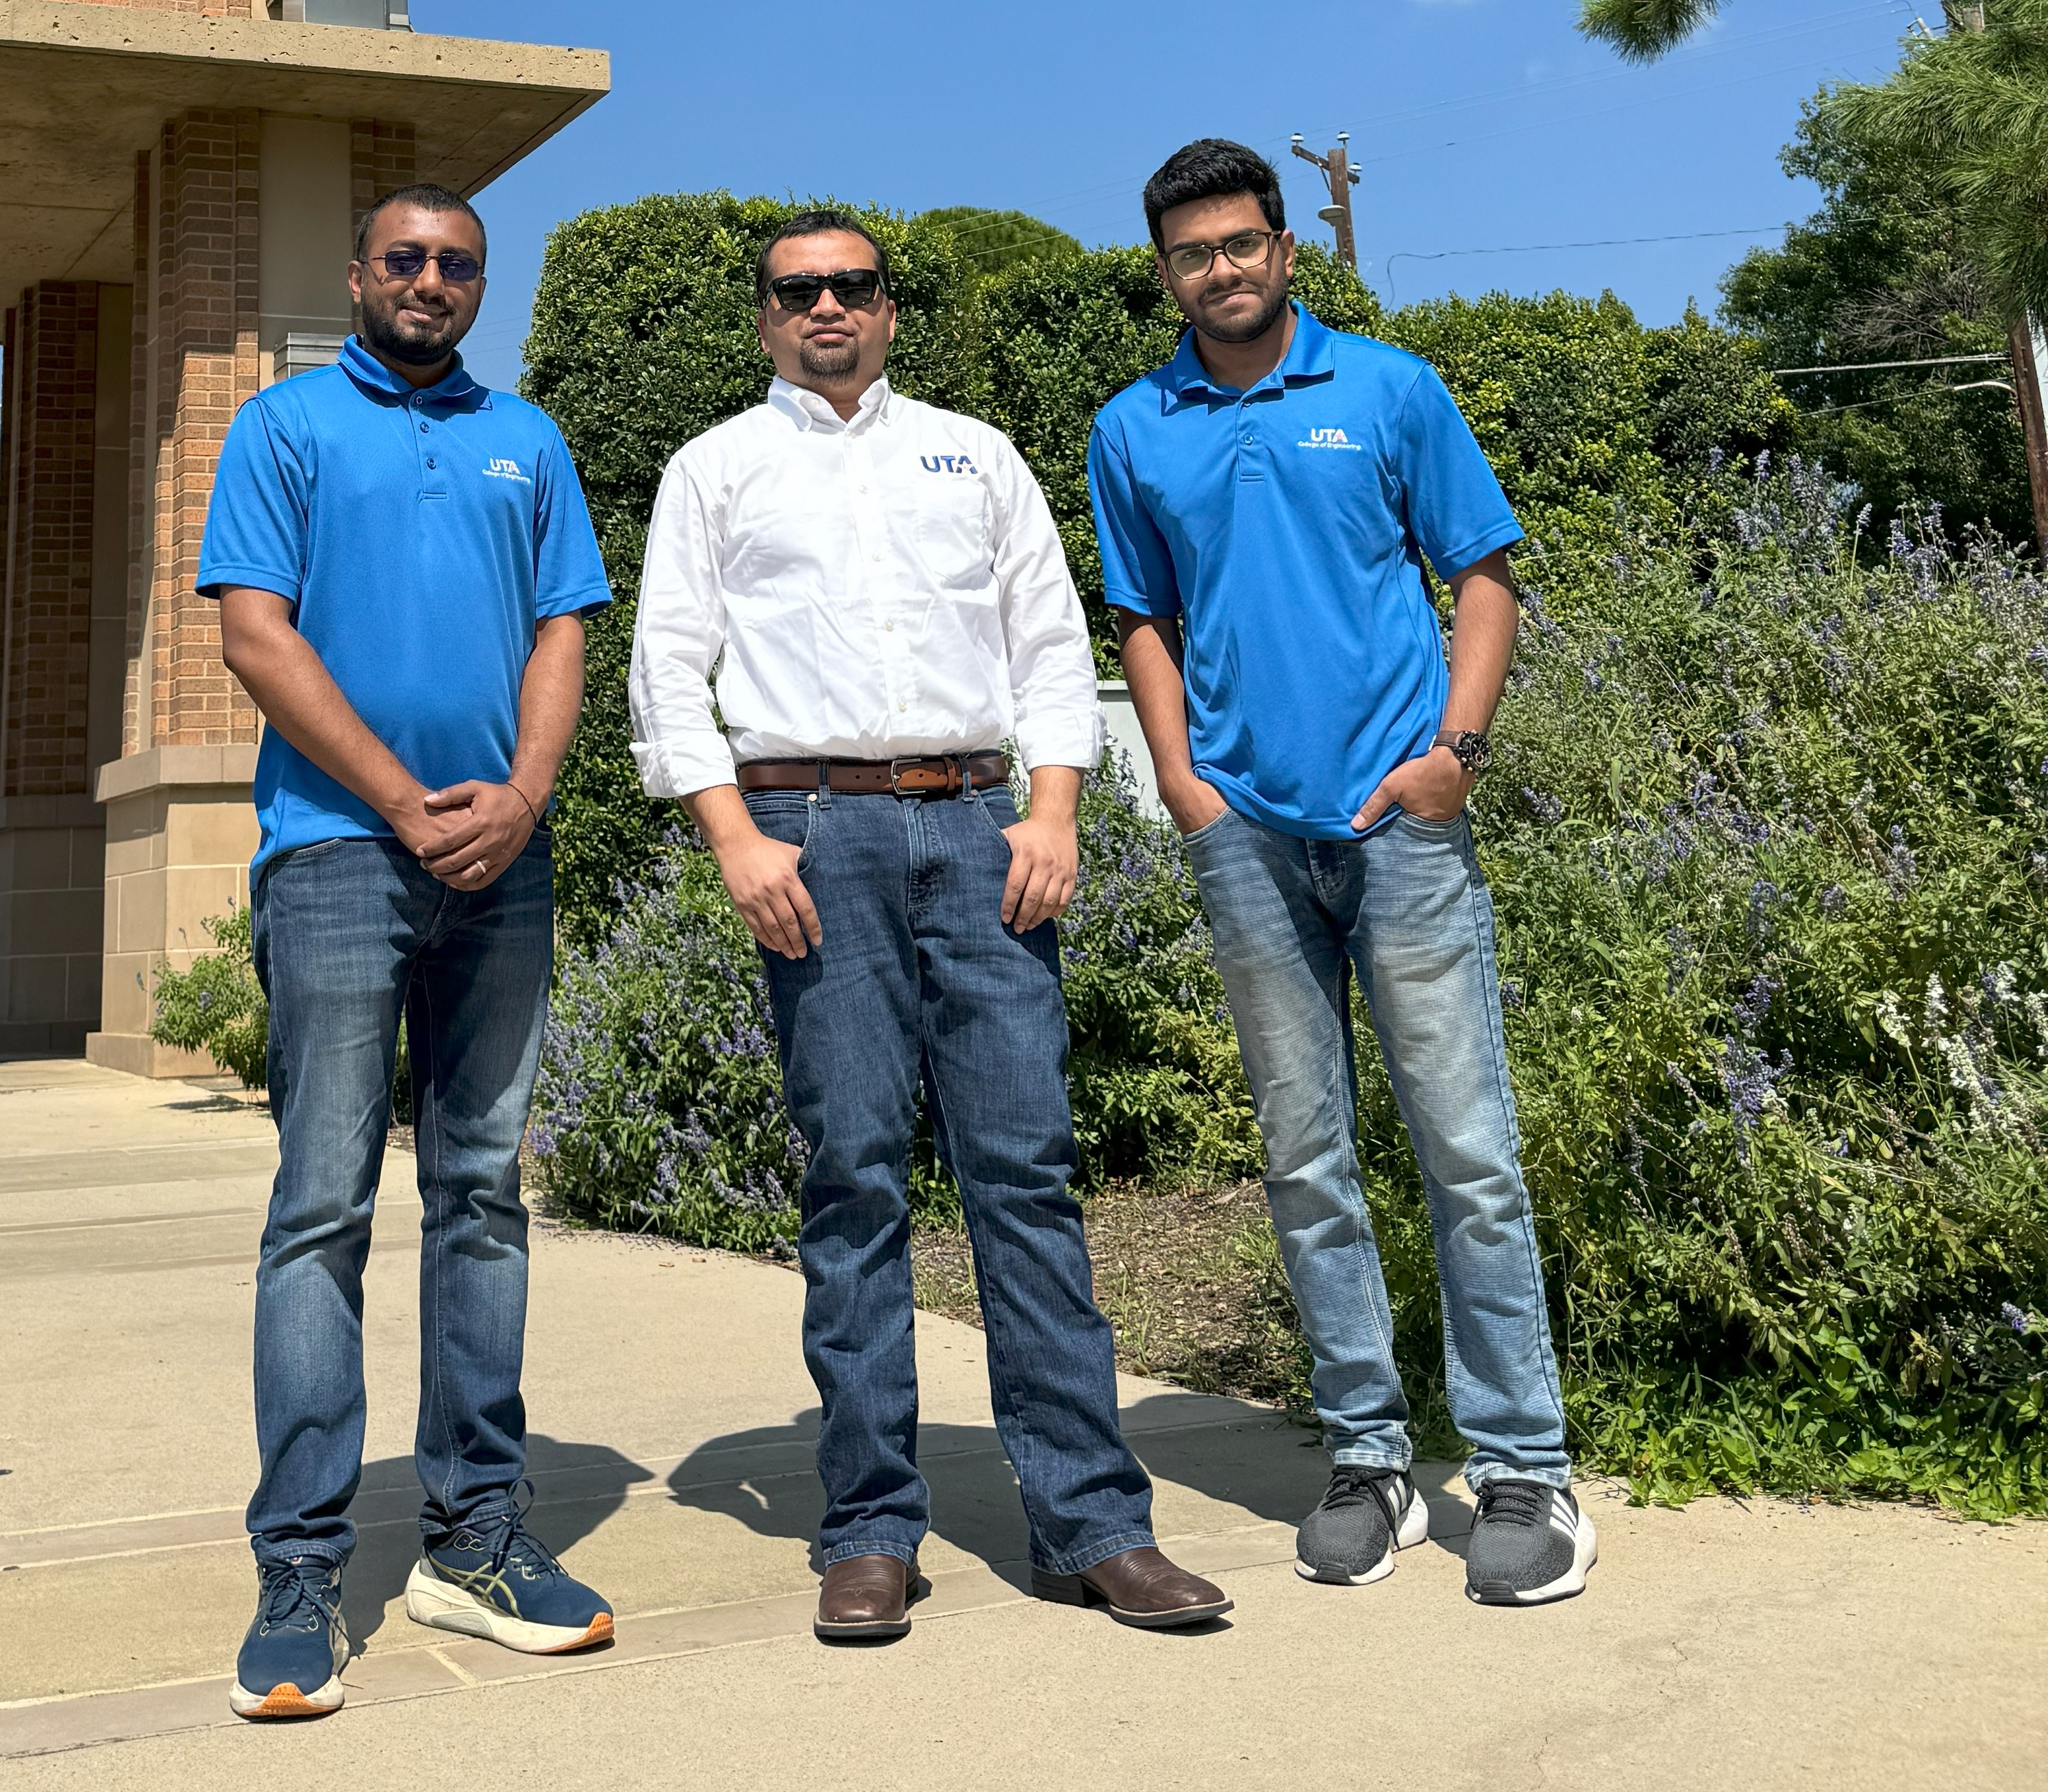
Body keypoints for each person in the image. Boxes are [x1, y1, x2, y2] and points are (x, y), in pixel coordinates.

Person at [629, 213, 1229, 1645]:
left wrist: (1057, 811)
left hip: (979, 836)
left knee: (1024, 1170)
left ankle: (1095, 1521)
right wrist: (734, 842)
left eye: (853, 286)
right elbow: (666, 665)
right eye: (798, 289)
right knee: (852, 1181)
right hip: (812, 839)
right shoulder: (715, 468)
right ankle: (870, 1528)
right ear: (764, 317)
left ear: (890, 311)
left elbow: (1045, 643)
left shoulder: (974, 453)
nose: (827, 305)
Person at [1087, 138, 1595, 1609]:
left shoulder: (1385, 388)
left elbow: (1485, 572)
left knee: (1468, 1152)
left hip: (1401, 824)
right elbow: (1142, 616)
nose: (1222, 270)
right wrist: (1184, 786)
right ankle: (1371, 1457)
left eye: (1244, 244)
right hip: (1245, 833)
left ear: (1286, 249)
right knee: (1307, 1163)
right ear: (1167, 269)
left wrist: (1458, 753)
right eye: (1194, 254)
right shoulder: (1136, 426)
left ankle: (1522, 1468)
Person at [197, 181, 617, 1720]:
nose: (433, 280)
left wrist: (519, 799)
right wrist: (399, 800)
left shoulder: (531, 440)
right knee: (320, 1203)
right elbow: (256, 629)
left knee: (482, 1197)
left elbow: (564, 627)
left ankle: (478, 1535)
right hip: (334, 860)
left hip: (504, 864)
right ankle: (300, 1562)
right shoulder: (285, 427)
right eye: (408, 258)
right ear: (356, 270)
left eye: (459, 264)